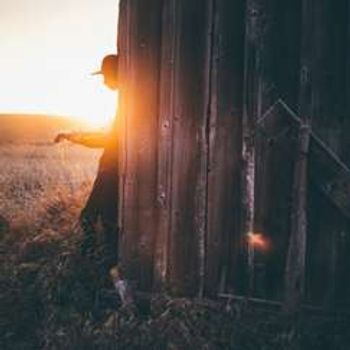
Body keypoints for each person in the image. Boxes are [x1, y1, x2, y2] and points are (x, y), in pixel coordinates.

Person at [55, 55, 120, 276]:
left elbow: (108, 140)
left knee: (94, 218)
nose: (104, 82)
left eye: (107, 76)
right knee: (99, 219)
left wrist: (75, 137)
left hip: (112, 172)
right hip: (111, 171)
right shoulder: (127, 102)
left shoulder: (130, 104)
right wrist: (73, 136)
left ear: (118, 74)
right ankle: (100, 262)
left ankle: (100, 265)